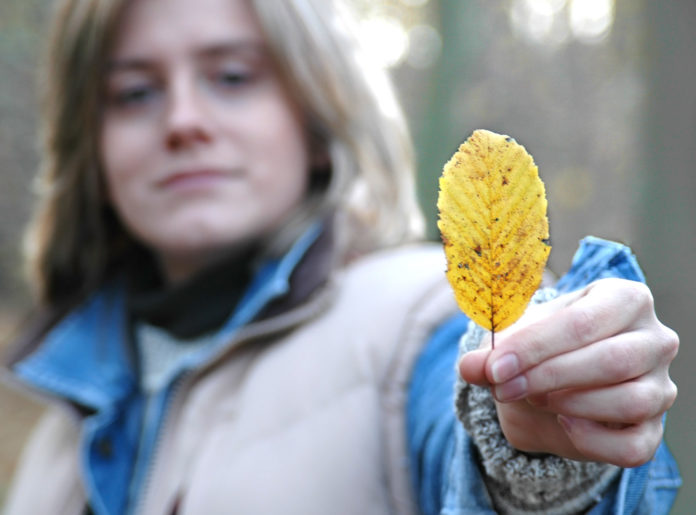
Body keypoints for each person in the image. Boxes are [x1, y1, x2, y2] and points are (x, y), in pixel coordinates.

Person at [1, 0, 680, 513]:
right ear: (91, 150)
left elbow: (465, 428)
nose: (183, 120)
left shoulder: (417, 319)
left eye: (232, 77)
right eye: (135, 92)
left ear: (318, 120)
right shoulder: (58, 425)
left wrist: (541, 442)